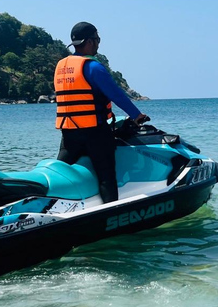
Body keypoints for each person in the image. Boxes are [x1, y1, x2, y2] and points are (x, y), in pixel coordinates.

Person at [54, 21, 149, 203]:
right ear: (89, 41)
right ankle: (111, 215)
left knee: (60, 174)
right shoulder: (93, 67)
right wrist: (136, 115)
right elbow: (116, 95)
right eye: (98, 40)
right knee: (106, 177)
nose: (98, 44)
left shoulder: (61, 67)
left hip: (68, 134)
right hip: (94, 132)